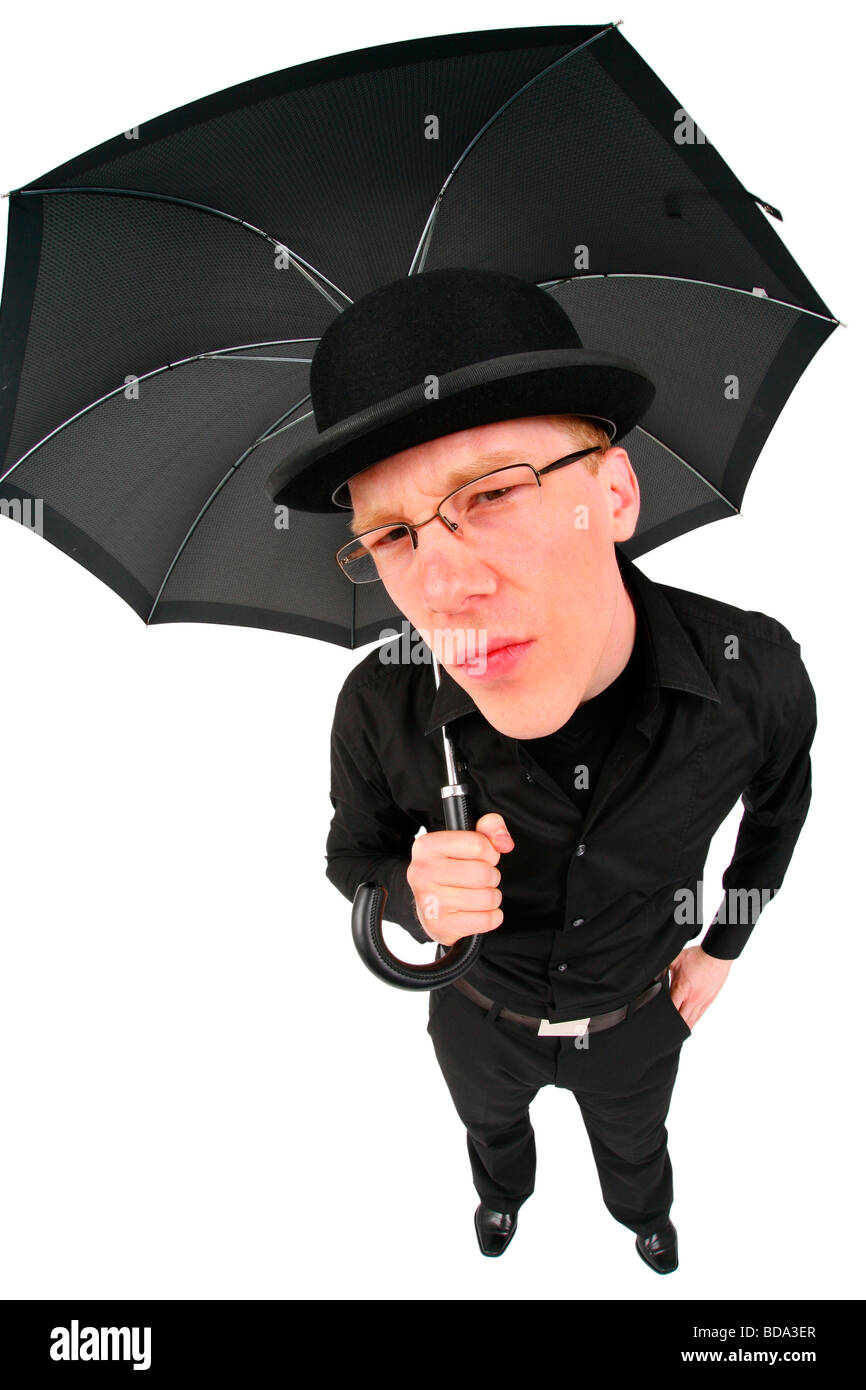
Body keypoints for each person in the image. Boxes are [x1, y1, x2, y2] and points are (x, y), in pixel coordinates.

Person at [267, 267, 817, 1270]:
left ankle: (642, 1216)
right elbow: (353, 853)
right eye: (391, 535)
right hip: (477, 1017)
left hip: (641, 1011)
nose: (441, 588)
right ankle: (500, 1199)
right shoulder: (376, 704)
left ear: (610, 490)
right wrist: (406, 896)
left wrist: (721, 951)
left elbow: (775, 817)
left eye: (488, 494)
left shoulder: (754, 674)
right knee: (489, 1131)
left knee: (636, 1141)